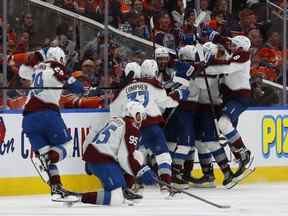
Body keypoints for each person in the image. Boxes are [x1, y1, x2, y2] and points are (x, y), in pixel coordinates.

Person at [20, 46, 85, 202]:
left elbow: (22, 71)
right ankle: (45, 159)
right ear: (60, 58)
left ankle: (56, 188)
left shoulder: (36, 68)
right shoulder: (56, 66)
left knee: (46, 154)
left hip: (28, 119)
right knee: (68, 146)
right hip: (47, 114)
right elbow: (77, 88)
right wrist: (83, 88)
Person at [79, 101, 155, 206]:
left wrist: (88, 160)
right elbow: (124, 157)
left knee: (137, 154)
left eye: (142, 116)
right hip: (103, 161)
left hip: (97, 159)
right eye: (139, 116)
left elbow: (90, 138)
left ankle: (125, 190)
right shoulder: (131, 128)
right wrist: (141, 172)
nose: (140, 120)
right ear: (132, 114)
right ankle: (80, 197)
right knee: (117, 199)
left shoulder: (114, 121)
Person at [207, 32, 255, 180]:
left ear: (241, 47)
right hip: (231, 98)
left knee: (224, 123)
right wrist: (214, 36)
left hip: (240, 97)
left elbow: (227, 68)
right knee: (227, 130)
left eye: (235, 45)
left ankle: (244, 153)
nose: (231, 46)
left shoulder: (243, 55)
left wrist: (209, 62)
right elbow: (226, 43)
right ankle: (241, 158)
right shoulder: (236, 54)